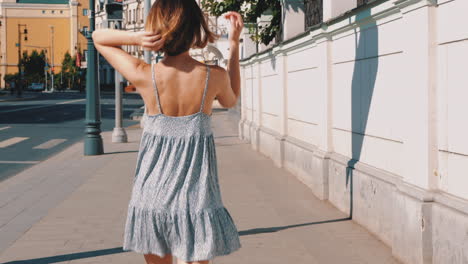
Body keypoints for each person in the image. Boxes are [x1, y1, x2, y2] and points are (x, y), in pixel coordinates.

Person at [91, 0, 243, 263]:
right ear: (196, 28)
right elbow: (231, 101)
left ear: (156, 29)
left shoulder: (143, 74)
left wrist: (138, 39)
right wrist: (234, 45)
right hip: (197, 199)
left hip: (152, 196)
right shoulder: (213, 76)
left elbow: (98, 38)